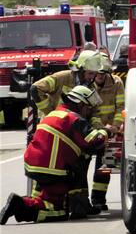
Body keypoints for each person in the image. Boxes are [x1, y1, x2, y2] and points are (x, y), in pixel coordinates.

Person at [2, 86, 111, 224]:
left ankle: (80, 206)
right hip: (52, 171)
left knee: (75, 167)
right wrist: (107, 131)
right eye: (89, 108)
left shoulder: (55, 113)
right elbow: (95, 141)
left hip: (35, 166)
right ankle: (20, 206)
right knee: (58, 212)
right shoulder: (74, 119)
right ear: (81, 104)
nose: (91, 112)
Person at [83, 52, 124, 212]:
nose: (100, 76)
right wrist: (100, 127)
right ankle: (82, 201)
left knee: (105, 166)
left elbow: (121, 106)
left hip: (112, 131)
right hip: (92, 131)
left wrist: (115, 126)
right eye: (97, 73)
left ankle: (98, 200)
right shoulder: (87, 85)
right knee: (82, 167)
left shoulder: (116, 82)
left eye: (103, 73)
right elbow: (90, 111)